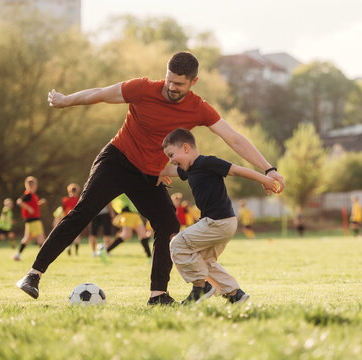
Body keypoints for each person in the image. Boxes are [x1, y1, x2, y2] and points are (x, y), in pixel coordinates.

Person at [16, 51, 284, 304]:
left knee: (167, 222)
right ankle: (34, 274)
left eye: (179, 84)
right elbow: (100, 94)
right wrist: (65, 100)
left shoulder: (198, 108)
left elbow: (234, 139)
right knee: (83, 211)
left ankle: (158, 295)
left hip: (150, 175)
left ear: (194, 82)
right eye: (169, 80)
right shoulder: (143, 88)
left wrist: (268, 169)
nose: (171, 87)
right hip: (117, 160)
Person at [159, 128, 277, 304]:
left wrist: (265, 179)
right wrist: (159, 172)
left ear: (185, 148)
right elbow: (171, 171)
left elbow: (237, 170)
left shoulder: (208, 162)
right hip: (223, 223)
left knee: (178, 244)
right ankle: (235, 294)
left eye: (171, 154)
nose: (171, 160)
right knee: (205, 261)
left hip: (218, 222)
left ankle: (201, 287)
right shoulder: (188, 169)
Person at [103, 193, 152, 259]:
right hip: (127, 213)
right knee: (126, 234)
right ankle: (105, 251)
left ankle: (150, 258)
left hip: (135, 214)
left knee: (143, 235)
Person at [13, 176, 46, 261]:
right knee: (41, 240)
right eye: (34, 184)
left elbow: (32, 206)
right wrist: (28, 208)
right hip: (34, 220)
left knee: (26, 239)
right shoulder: (28, 194)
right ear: (31, 185)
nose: (35, 186)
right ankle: (42, 259)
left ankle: (17, 255)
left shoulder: (32, 196)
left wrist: (38, 204)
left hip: (30, 221)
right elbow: (19, 201)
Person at [54, 184, 81, 256]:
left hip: (67, 219)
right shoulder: (78, 199)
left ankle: (69, 248)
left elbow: (61, 210)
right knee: (76, 236)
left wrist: (57, 219)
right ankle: (76, 252)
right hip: (75, 220)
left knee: (68, 236)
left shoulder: (65, 200)